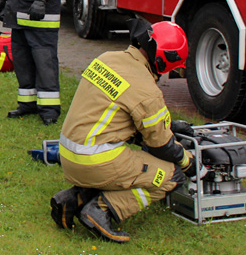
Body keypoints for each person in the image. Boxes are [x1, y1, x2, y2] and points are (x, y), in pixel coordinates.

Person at [49, 20, 202, 243]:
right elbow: (161, 145)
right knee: (170, 176)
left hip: (68, 155)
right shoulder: (146, 90)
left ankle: (73, 199)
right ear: (163, 60)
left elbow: (115, 117)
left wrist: (164, 126)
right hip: (96, 161)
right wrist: (188, 162)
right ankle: (101, 210)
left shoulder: (106, 58)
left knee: (126, 170)